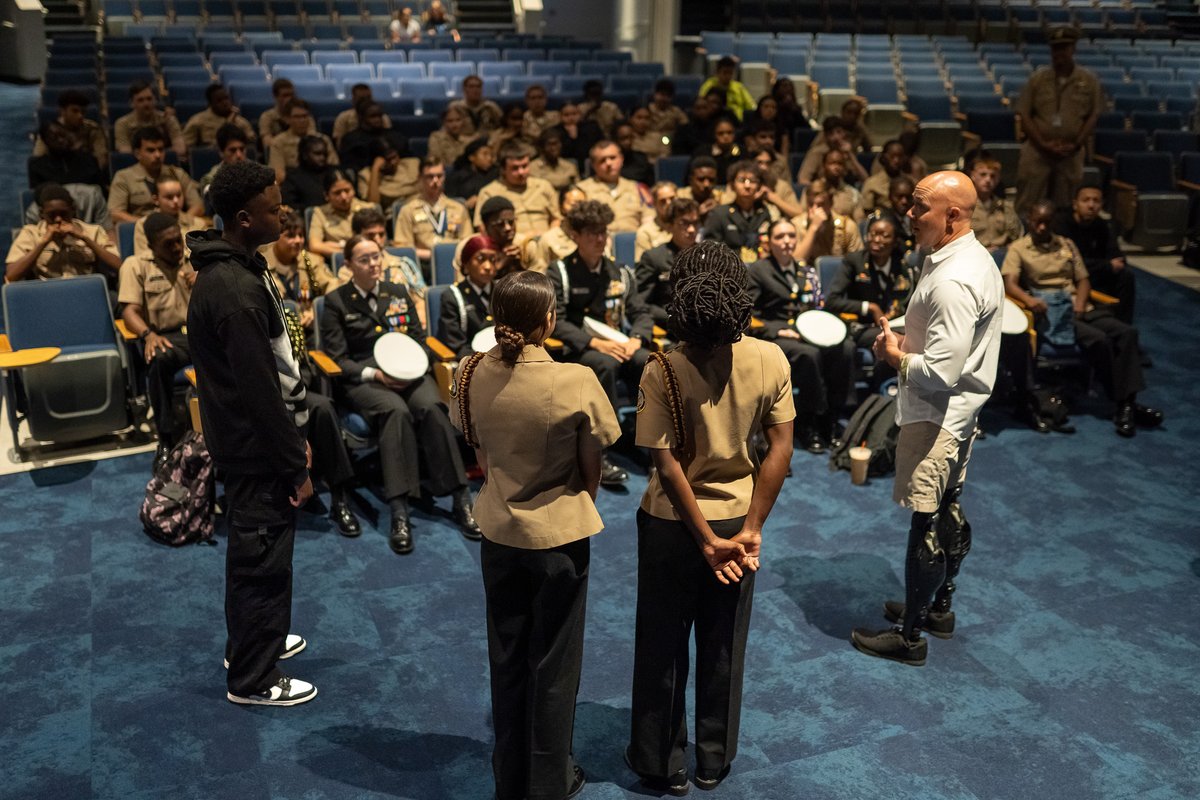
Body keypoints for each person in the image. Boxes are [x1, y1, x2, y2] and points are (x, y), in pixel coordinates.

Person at [626, 240, 793, 795]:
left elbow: (665, 465)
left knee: (661, 643)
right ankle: (712, 761)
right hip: (737, 522)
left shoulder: (662, 368)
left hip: (672, 526)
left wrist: (701, 539)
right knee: (724, 645)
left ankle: (660, 763)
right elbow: (780, 451)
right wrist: (749, 531)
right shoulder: (770, 358)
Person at [450, 269, 620, 800]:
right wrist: (571, 504)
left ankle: (510, 778)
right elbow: (593, 465)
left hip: (498, 533)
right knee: (555, 665)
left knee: (507, 656)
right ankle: (548, 781)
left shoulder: (469, 370)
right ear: (548, 320)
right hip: (560, 539)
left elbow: (478, 451)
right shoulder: (576, 380)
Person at [849, 171, 1003, 666]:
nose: (909, 217)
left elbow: (938, 371)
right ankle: (938, 607)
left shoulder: (956, 279)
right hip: (960, 414)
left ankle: (911, 636)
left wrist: (894, 356)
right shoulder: (970, 258)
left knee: (926, 522)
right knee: (949, 505)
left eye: (919, 209)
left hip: (937, 415)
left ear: (952, 215)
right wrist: (900, 330)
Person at [187, 160, 316, 706]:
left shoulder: (244, 265)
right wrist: (294, 462)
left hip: (256, 443)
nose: (282, 212)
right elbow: (259, 395)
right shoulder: (235, 290)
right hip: (255, 448)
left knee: (256, 554)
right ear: (243, 218)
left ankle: (252, 642)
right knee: (260, 560)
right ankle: (254, 679)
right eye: (271, 207)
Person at [319, 236, 481, 553]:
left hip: (407, 373)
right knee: (396, 411)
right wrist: (375, 374)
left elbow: (420, 339)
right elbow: (339, 359)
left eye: (377, 257)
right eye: (364, 259)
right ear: (348, 265)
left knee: (433, 406)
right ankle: (400, 510)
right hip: (367, 380)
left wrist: (411, 366)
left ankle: (461, 498)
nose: (373, 264)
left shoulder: (397, 293)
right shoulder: (337, 302)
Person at [1002, 201, 1162, 438]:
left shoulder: (1066, 244)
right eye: (1038, 221)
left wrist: (1079, 305)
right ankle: (1124, 405)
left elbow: (1084, 279)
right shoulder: (1019, 248)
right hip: (1052, 312)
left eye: (1047, 222)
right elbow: (1010, 283)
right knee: (1099, 340)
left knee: (1127, 333)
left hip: (1080, 306)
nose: (1042, 227)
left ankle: (1126, 402)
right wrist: (1030, 300)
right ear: (1029, 220)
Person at [548, 200, 654, 486]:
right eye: (592, 233)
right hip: (580, 350)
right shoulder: (560, 272)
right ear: (576, 235)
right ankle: (601, 450)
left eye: (603, 232)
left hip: (621, 344)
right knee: (604, 366)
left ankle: (650, 444)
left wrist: (636, 338)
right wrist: (594, 343)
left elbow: (641, 312)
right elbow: (555, 320)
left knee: (650, 363)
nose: (600, 239)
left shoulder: (619, 272)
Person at [748, 217, 856, 452]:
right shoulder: (758, 271)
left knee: (845, 347)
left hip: (808, 331)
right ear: (769, 243)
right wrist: (778, 330)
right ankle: (811, 423)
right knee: (809, 355)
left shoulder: (805, 271)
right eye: (780, 237)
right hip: (775, 335)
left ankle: (834, 417)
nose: (786, 241)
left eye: (791, 236)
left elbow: (818, 307)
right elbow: (748, 314)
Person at [119, 213, 195, 468]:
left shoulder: (196, 259)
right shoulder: (135, 265)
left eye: (178, 241)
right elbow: (129, 311)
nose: (176, 248)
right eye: (168, 244)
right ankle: (165, 438)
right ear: (152, 245)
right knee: (159, 359)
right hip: (166, 337)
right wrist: (147, 335)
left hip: (200, 333)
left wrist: (206, 281)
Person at [1015, 26, 1103, 217]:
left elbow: (1093, 115)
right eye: (1056, 48)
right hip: (1037, 150)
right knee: (1028, 200)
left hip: (1070, 153)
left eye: (1064, 47)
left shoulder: (1088, 81)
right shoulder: (1038, 79)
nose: (1059, 53)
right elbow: (1024, 114)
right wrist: (1043, 144)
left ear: (1073, 49)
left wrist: (1075, 144)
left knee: (1066, 204)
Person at [825, 214, 916, 389]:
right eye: (873, 234)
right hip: (862, 328)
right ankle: (882, 392)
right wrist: (870, 308)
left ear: (895, 240)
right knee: (886, 340)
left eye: (884, 235)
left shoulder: (902, 265)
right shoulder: (855, 261)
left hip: (896, 324)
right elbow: (831, 300)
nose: (876, 240)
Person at [1054, 185, 1135, 324]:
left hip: (1095, 271)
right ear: (1075, 204)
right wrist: (1106, 265)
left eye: (1096, 201)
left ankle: (1123, 322)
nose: (1091, 205)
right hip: (1070, 274)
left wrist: (1107, 265)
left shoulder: (1103, 225)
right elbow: (1067, 261)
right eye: (1086, 200)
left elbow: (1117, 256)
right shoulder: (1061, 224)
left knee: (1126, 275)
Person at [6, 183, 120, 282]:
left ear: (73, 210)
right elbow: (12, 275)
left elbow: (119, 266)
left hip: (86, 288)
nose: (58, 219)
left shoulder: (92, 231)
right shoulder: (30, 233)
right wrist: (43, 243)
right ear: (41, 214)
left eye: (63, 213)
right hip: (46, 292)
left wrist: (85, 239)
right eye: (52, 215)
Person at [262, 207, 339, 343]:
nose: (298, 241)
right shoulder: (261, 264)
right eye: (290, 236)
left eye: (301, 235)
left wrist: (316, 311)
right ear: (275, 238)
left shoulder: (311, 260)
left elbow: (334, 288)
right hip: (277, 335)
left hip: (310, 330)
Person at [349, 207, 429, 329]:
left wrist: (420, 319)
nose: (377, 239)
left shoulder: (403, 265)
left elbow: (421, 299)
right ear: (357, 236)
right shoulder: (349, 271)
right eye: (370, 235)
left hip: (404, 331)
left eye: (381, 234)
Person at [109, 127, 203, 224]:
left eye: (161, 149)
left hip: (177, 226)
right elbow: (116, 214)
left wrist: (181, 222)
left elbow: (198, 206)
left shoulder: (177, 173)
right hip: (141, 229)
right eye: (151, 150)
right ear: (137, 153)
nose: (158, 155)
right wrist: (149, 225)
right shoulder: (124, 177)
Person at [393, 157, 474, 264]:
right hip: (423, 264)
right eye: (430, 177)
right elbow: (403, 249)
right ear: (420, 178)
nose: (435, 181)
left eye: (439, 176)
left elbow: (467, 242)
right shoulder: (408, 210)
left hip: (456, 262)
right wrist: (435, 255)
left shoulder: (458, 208)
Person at [634, 197, 699, 329]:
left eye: (695, 223)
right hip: (669, 329)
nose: (692, 229)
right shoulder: (654, 258)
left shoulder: (706, 256)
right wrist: (673, 317)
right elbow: (640, 302)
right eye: (684, 223)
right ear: (670, 226)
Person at [475, 141, 561, 236]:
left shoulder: (543, 186)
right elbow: (482, 227)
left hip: (546, 240)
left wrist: (550, 237)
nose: (521, 172)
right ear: (503, 170)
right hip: (512, 243)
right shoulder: (489, 192)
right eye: (515, 168)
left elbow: (556, 219)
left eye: (525, 166)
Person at [702, 160, 780, 263]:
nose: (747, 186)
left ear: (759, 186)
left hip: (760, 270)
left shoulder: (765, 213)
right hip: (728, 269)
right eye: (742, 180)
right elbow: (710, 250)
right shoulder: (719, 213)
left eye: (753, 181)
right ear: (732, 185)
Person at [438, 235, 499, 357]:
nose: (488, 266)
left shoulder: (503, 291)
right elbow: (456, 344)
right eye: (480, 259)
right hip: (472, 362)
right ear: (466, 264)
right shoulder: (452, 296)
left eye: (492, 259)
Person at [578, 140, 655, 233]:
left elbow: (649, 219)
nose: (609, 163)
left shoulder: (638, 188)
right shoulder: (581, 190)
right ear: (594, 165)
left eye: (612, 158)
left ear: (621, 159)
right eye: (602, 160)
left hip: (635, 243)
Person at [30, 89, 108, 170]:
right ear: (62, 111)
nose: (80, 116)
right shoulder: (50, 131)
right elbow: (38, 159)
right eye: (75, 111)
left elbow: (102, 160)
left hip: (86, 174)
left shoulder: (93, 129)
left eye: (83, 112)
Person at [793, 178, 865, 263]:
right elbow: (797, 262)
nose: (815, 210)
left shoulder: (847, 226)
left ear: (831, 204)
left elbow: (858, 263)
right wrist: (813, 228)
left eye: (821, 204)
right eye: (811, 204)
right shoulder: (796, 225)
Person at [269, 99, 340, 183]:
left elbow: (334, 166)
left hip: (322, 183)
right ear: (287, 119)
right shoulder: (278, 142)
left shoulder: (323, 139)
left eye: (305, 116)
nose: (302, 120)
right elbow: (279, 175)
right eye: (297, 117)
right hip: (293, 187)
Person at [476, 195, 548, 278]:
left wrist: (521, 268)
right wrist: (498, 266)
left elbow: (539, 283)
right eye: (500, 224)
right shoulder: (475, 247)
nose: (508, 228)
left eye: (511, 222)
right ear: (486, 226)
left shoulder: (526, 246)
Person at [132, 176, 204, 256]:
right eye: (169, 197)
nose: (176, 201)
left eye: (179, 195)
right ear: (156, 199)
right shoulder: (143, 225)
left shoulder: (198, 223)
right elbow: (143, 257)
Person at [307, 172, 372, 258]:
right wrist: (348, 252)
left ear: (354, 190)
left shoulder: (368, 209)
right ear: (326, 195)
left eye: (347, 190)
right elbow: (314, 246)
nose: (344, 197)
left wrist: (332, 245)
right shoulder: (320, 213)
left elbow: (376, 242)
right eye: (337, 193)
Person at [967, 153, 1022, 256]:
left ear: (998, 179)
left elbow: (1017, 237)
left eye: (993, 176)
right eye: (983, 174)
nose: (988, 180)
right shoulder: (964, 207)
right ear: (973, 175)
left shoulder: (1005, 207)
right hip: (972, 255)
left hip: (1001, 256)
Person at [115, 81, 186, 158]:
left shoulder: (168, 120)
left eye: (149, 99)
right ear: (132, 103)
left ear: (155, 100)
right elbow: (125, 153)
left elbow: (180, 149)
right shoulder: (122, 124)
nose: (146, 103)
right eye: (140, 100)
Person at [339, 100, 406, 174]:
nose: (378, 120)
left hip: (399, 175)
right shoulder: (351, 140)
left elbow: (408, 159)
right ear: (362, 117)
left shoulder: (395, 136)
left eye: (379, 116)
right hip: (365, 177)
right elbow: (349, 167)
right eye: (373, 116)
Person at [798, 117, 869, 185]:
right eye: (831, 134)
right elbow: (803, 180)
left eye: (839, 132)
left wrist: (850, 155)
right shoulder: (816, 153)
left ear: (844, 133)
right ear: (825, 136)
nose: (836, 137)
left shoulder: (847, 152)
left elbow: (865, 180)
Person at [183, 83, 256, 150]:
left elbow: (252, 142)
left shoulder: (241, 121)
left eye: (226, 98)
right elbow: (188, 148)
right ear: (210, 104)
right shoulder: (198, 121)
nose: (225, 103)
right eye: (219, 101)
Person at [358, 138, 419, 211]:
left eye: (394, 157)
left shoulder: (412, 164)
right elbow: (374, 205)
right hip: (394, 215)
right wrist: (375, 169)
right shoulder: (365, 175)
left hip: (420, 206)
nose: (393, 162)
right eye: (388, 160)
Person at [802, 148, 863, 220]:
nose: (836, 167)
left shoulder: (853, 193)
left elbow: (859, 222)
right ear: (824, 166)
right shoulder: (811, 190)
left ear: (844, 167)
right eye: (832, 163)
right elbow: (803, 216)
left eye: (840, 164)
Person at [859, 139, 912, 216]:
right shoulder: (872, 183)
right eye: (892, 156)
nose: (896, 160)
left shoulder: (910, 182)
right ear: (884, 157)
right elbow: (867, 212)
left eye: (899, 156)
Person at [258, 78, 313, 150]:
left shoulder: (304, 115)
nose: (290, 99)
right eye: (285, 95)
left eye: (292, 95)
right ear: (275, 97)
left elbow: (312, 139)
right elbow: (267, 143)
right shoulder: (267, 117)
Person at [537, 185, 586, 265]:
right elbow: (539, 273)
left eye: (583, 205)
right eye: (574, 205)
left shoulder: (595, 236)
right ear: (561, 207)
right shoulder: (548, 239)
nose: (579, 209)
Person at [445, 138, 497, 212]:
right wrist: (463, 203)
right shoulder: (458, 176)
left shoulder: (495, 175)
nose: (489, 158)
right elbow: (449, 199)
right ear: (472, 157)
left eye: (491, 155)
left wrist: (480, 198)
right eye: (485, 154)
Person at [698, 56, 757, 122]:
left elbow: (751, 106)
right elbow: (701, 106)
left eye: (730, 73)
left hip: (738, 123)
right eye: (725, 72)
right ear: (717, 72)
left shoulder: (739, 87)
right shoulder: (708, 86)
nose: (728, 76)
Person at [199, 124, 249, 199]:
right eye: (233, 150)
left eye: (242, 149)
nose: (239, 155)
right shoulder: (211, 179)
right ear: (221, 152)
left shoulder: (259, 172)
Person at [634, 182, 677, 261]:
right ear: (654, 204)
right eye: (663, 201)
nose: (669, 203)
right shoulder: (645, 232)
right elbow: (643, 265)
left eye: (672, 198)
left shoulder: (686, 227)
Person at [676, 155, 722, 224]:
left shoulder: (722, 198)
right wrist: (697, 214)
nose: (706, 185)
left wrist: (719, 211)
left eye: (711, 180)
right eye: (701, 179)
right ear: (690, 180)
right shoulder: (679, 197)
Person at [615, 122, 656, 186]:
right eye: (623, 138)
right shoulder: (609, 161)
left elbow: (651, 185)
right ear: (615, 139)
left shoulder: (642, 159)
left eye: (630, 137)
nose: (628, 142)